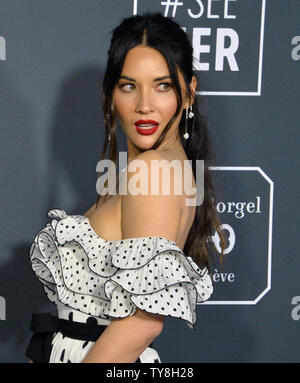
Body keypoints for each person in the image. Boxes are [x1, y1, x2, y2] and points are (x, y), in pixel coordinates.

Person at [25, 12, 227, 363]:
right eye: (129, 86)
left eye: (163, 85)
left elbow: (142, 324)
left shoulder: (152, 172)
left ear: (189, 93)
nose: (144, 105)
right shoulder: (166, 167)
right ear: (110, 93)